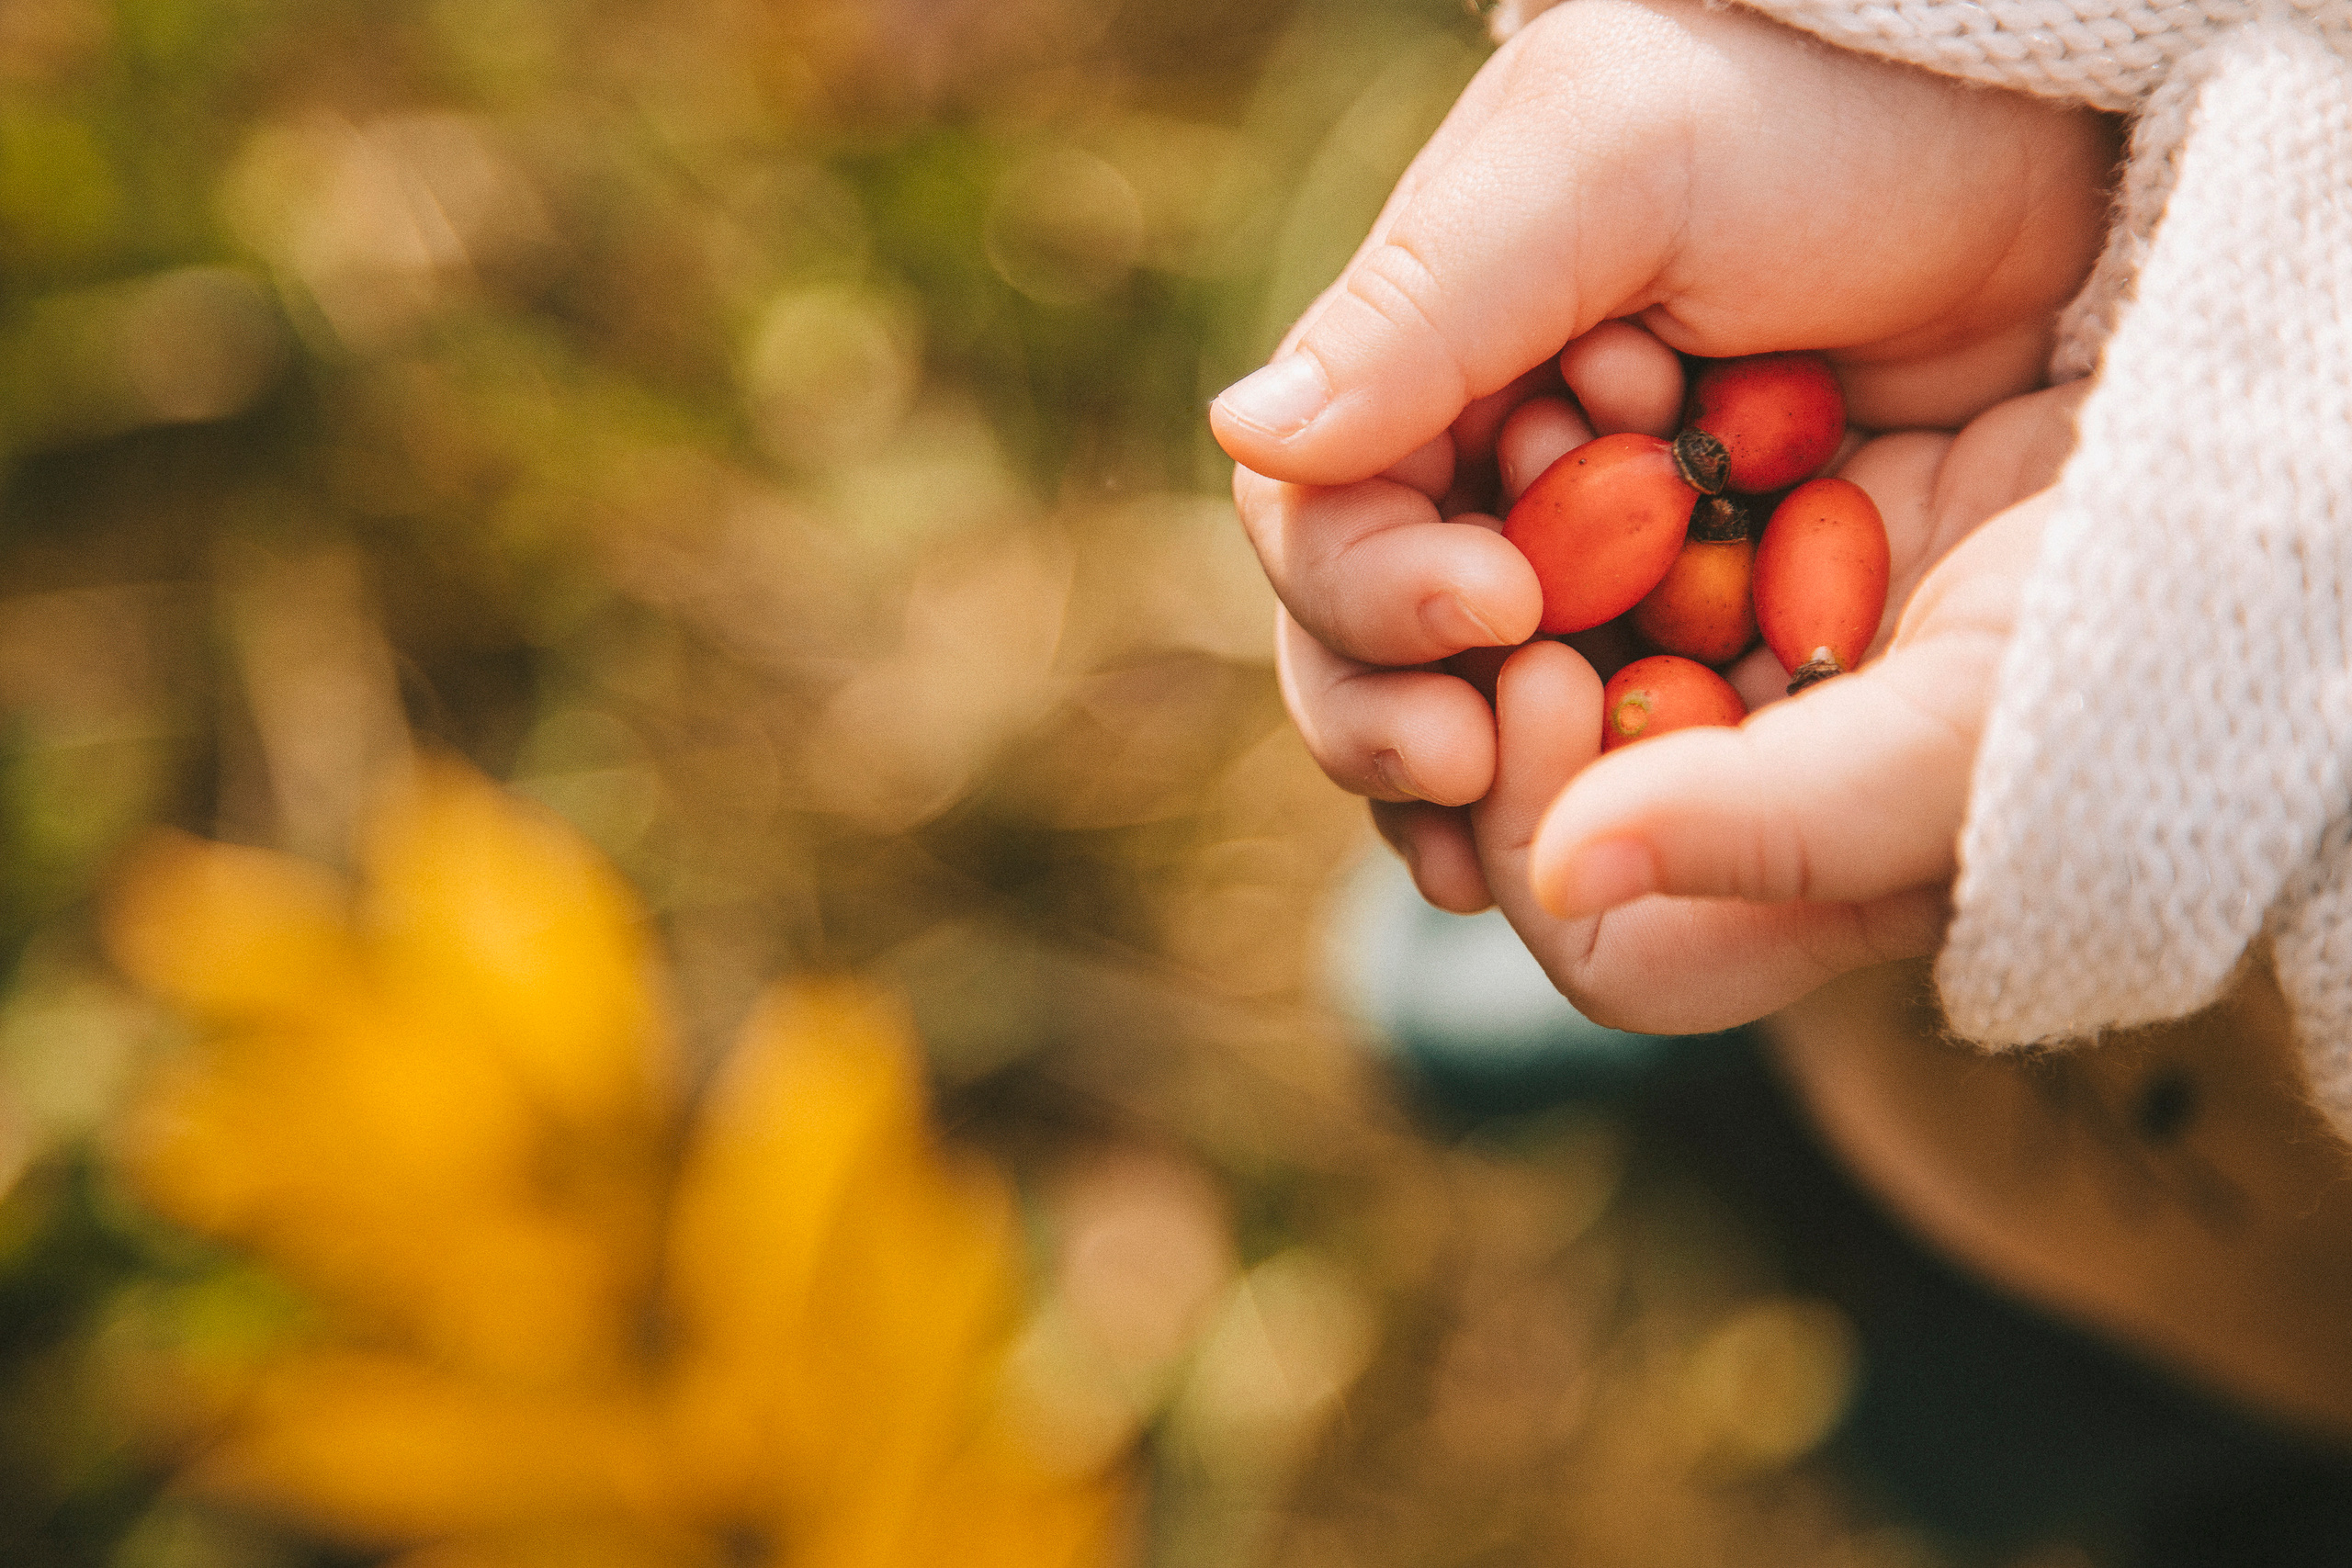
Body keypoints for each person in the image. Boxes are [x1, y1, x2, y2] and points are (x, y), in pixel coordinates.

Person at [1212, 0, 2352, 1508]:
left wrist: (2240, 604)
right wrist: (1944, 71)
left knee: (2002, 1447)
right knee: (1559, 908)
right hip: (1863, 984)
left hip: (2265, 1279)